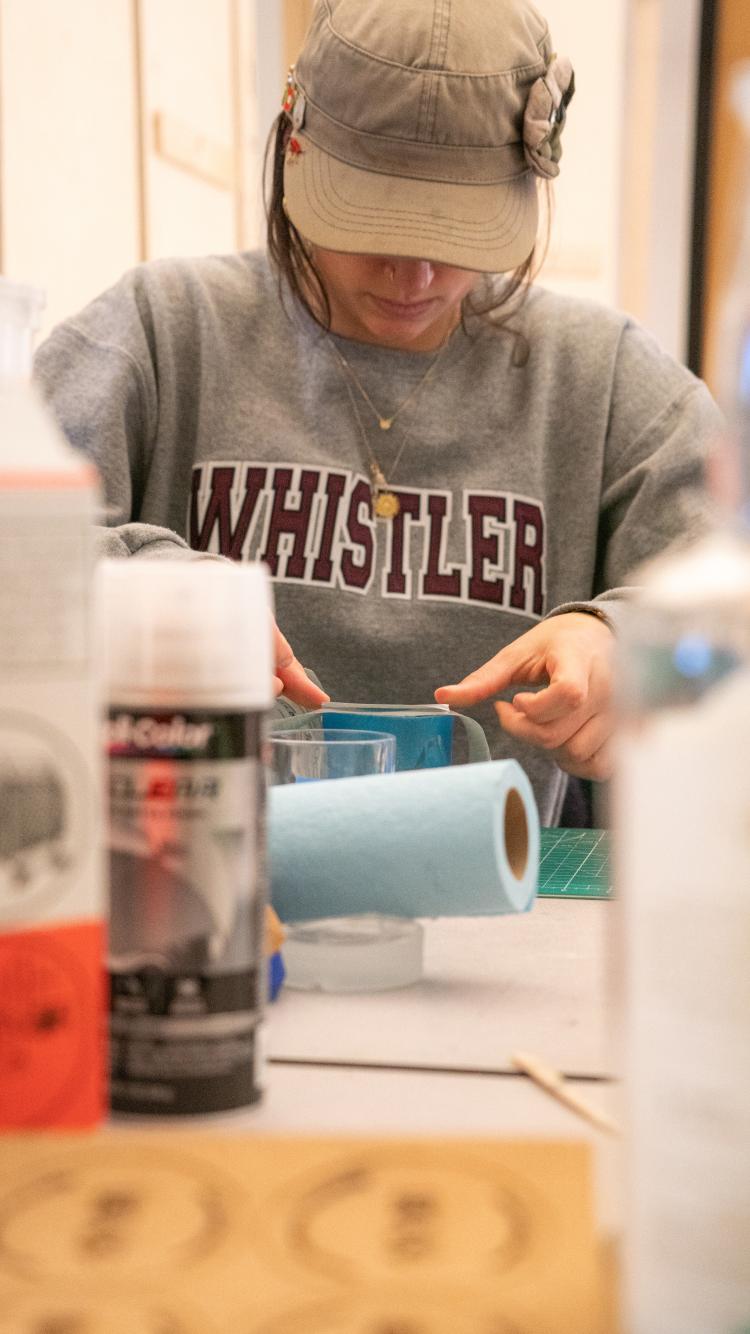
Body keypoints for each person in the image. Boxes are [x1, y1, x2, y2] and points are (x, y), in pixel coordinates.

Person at [33, 0, 720, 825]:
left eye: (456, 232)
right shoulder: (157, 333)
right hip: (195, 877)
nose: (415, 273)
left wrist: (627, 646)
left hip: (517, 914)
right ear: (293, 151)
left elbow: (725, 608)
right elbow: (18, 554)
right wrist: (158, 597)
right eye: (371, 225)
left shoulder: (607, 384)